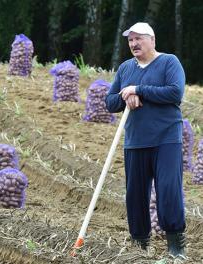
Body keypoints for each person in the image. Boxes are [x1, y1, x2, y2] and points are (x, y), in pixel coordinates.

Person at [105, 22, 186, 257]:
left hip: (166, 139)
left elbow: (174, 92)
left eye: (138, 38)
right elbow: (110, 103)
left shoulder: (169, 62)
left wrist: (139, 89)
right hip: (135, 141)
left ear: (152, 39)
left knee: (168, 189)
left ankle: (176, 247)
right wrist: (126, 94)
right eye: (130, 40)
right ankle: (139, 247)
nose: (133, 43)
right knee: (135, 194)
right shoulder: (125, 68)